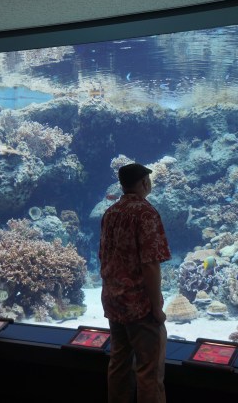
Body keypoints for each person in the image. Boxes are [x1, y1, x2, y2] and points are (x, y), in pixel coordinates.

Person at [99, 163, 171, 403]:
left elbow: (104, 256)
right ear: (144, 183)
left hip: (114, 302)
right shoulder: (146, 213)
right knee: (149, 371)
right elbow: (150, 264)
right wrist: (156, 308)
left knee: (118, 365)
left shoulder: (111, 212)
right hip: (139, 306)